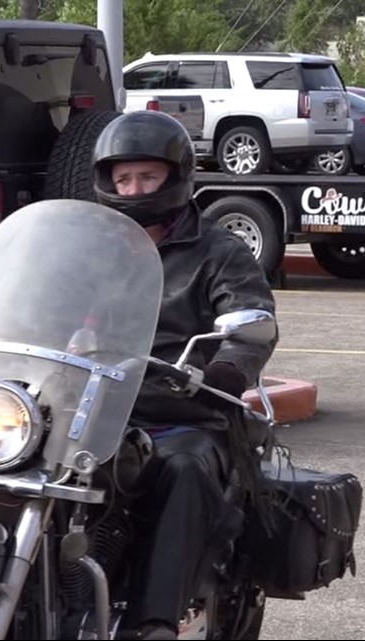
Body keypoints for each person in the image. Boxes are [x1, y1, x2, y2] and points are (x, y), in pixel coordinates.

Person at [89, 110, 278, 641]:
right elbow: (35, 299)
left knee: (184, 470)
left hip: (182, 411)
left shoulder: (218, 251)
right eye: (123, 178)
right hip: (92, 409)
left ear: (175, 177)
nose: (133, 189)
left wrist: (225, 370)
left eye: (146, 177)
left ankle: (154, 623)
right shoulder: (93, 249)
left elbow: (250, 321)